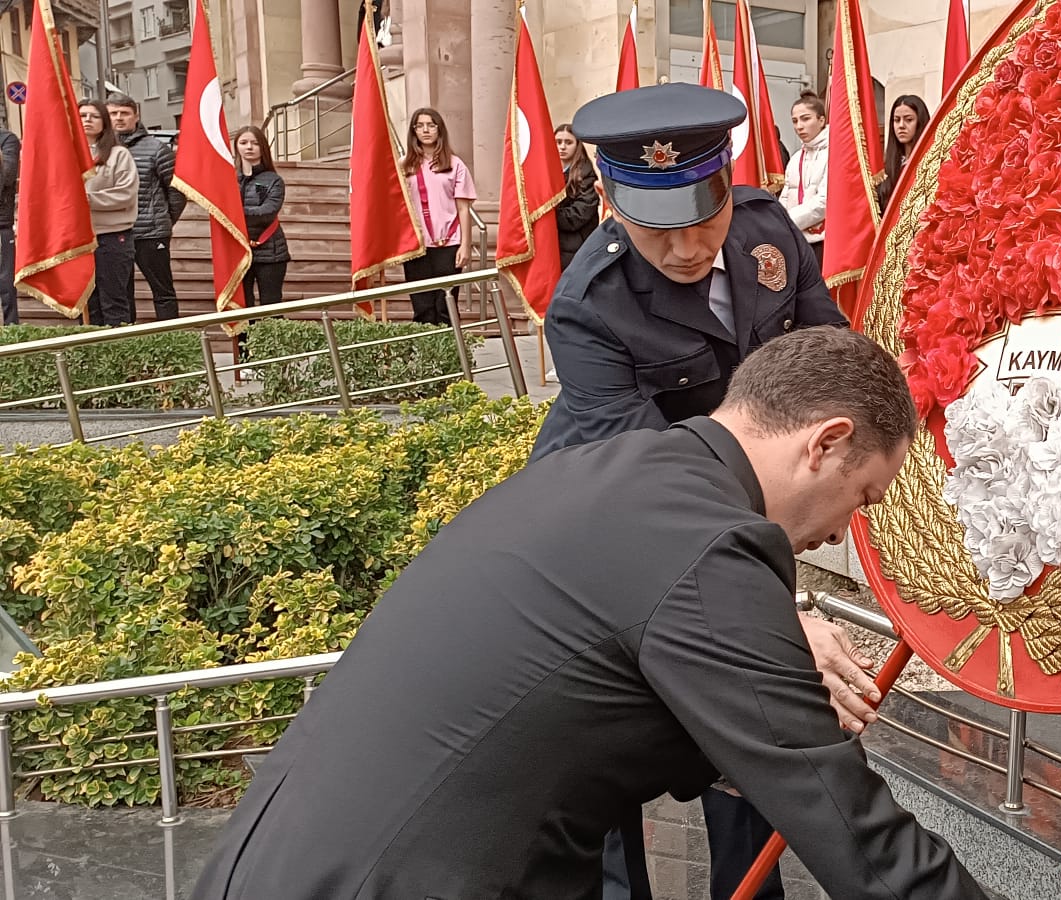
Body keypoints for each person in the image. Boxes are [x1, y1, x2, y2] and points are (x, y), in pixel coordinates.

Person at [187, 327, 990, 900]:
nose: (843, 530)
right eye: (862, 496)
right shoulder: (711, 544)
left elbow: (580, 693)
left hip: (276, 860)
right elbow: (858, 839)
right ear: (825, 442)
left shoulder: (614, 472)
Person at [541, 82, 851, 900]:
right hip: (609, 522)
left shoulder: (765, 227)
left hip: (741, 502)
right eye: (656, 227)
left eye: (702, 218)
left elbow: (828, 347)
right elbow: (652, 486)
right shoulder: (586, 308)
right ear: (609, 203)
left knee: (745, 732)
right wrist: (770, 608)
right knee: (605, 747)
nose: (686, 248)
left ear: (728, 183)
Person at [106, 93, 181, 321]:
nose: (119, 118)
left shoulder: (157, 149)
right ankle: (128, 344)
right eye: (113, 113)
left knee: (163, 292)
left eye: (125, 113)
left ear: (136, 116)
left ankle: (171, 342)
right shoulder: (101, 150)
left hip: (151, 233)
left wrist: (163, 219)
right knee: (121, 294)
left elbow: (176, 191)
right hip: (115, 233)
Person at [400, 108, 475, 325]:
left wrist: (466, 245)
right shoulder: (404, 165)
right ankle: (427, 355)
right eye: (420, 125)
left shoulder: (454, 164)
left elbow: (463, 208)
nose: (426, 130)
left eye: (431, 125)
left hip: (448, 243)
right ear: (414, 131)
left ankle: (453, 354)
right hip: (416, 245)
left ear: (439, 130)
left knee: (446, 306)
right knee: (422, 307)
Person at [81, 100, 138, 327]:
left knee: (113, 302)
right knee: (87, 305)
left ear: (104, 122)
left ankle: (118, 358)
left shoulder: (118, 154)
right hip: (78, 240)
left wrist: (87, 200)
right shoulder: (66, 156)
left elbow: (126, 194)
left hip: (112, 236)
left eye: (93, 116)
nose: (87, 120)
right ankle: (92, 357)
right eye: (82, 115)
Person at [235, 126, 289, 308]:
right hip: (237, 251)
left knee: (271, 305)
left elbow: (268, 211)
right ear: (236, 147)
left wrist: (236, 213)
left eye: (255, 143)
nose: (249, 147)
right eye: (243, 143)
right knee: (242, 306)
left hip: (270, 252)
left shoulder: (273, 180)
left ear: (263, 148)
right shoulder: (229, 178)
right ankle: (243, 338)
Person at [780, 91, 828, 265]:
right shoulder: (795, 158)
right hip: (795, 241)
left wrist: (788, 221)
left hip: (821, 243)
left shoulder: (833, 155)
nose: (799, 126)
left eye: (805, 119)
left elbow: (824, 202)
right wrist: (777, 218)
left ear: (821, 121)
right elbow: (785, 196)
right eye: (795, 121)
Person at [553, 122, 599, 270]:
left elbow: (579, 215)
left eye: (568, 142)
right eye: (558, 142)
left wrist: (549, 214)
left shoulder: (585, 174)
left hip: (576, 247)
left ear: (577, 145)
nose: (562, 147)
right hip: (554, 246)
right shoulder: (548, 172)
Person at [876, 95, 930, 211]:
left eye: (908, 120)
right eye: (896, 120)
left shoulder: (930, 165)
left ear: (920, 122)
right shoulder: (887, 167)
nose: (901, 126)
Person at [0, 123, 19, 326]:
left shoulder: (6, 140)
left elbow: (6, 176)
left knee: (5, 285)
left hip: (1, 224)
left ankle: (12, 333)